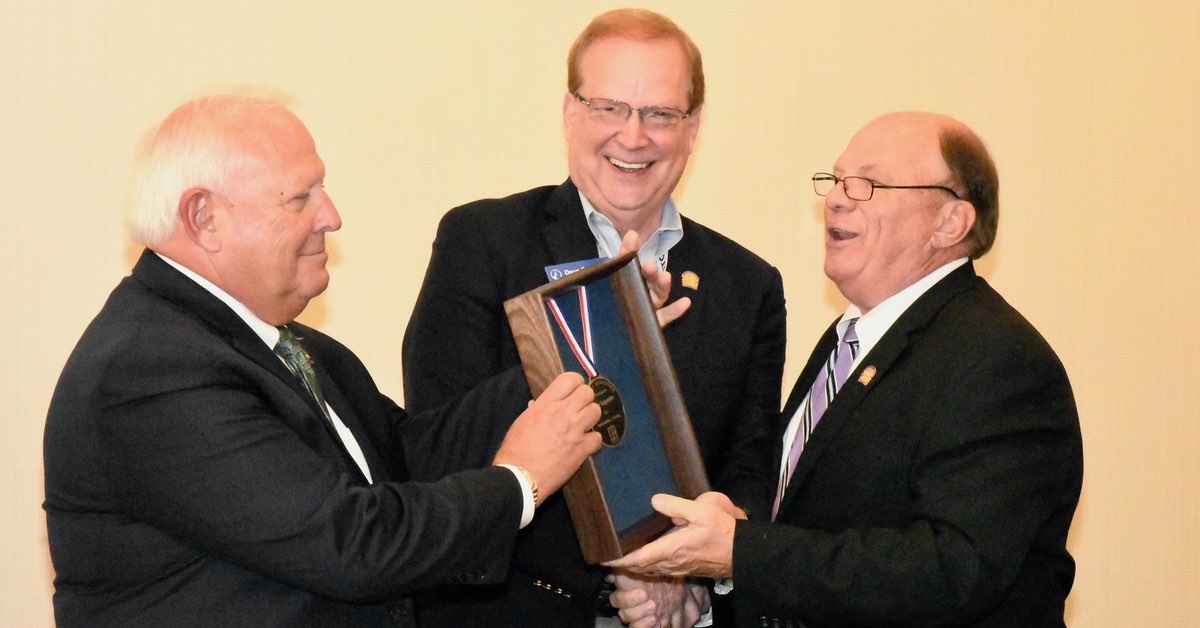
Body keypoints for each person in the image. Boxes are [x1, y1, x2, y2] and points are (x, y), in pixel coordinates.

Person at [42, 93, 607, 627]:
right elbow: (353, 545)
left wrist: (581, 344)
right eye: (300, 197)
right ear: (204, 218)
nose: (331, 216)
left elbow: (412, 455)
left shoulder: (288, 344)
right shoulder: (150, 371)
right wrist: (521, 481)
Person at [607, 111, 1084, 627]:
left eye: (868, 184)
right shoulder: (850, 340)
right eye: (836, 180)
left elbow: (953, 571)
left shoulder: (999, 362)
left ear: (951, 223)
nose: (835, 197)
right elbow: (804, 527)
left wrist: (740, 553)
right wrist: (705, 593)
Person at [402, 8, 786, 628]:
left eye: (661, 113)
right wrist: (604, 330)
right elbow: (434, 446)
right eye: (608, 107)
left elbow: (749, 474)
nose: (633, 137)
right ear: (569, 113)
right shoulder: (482, 241)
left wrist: (689, 578)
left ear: (693, 129)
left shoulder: (749, 286)